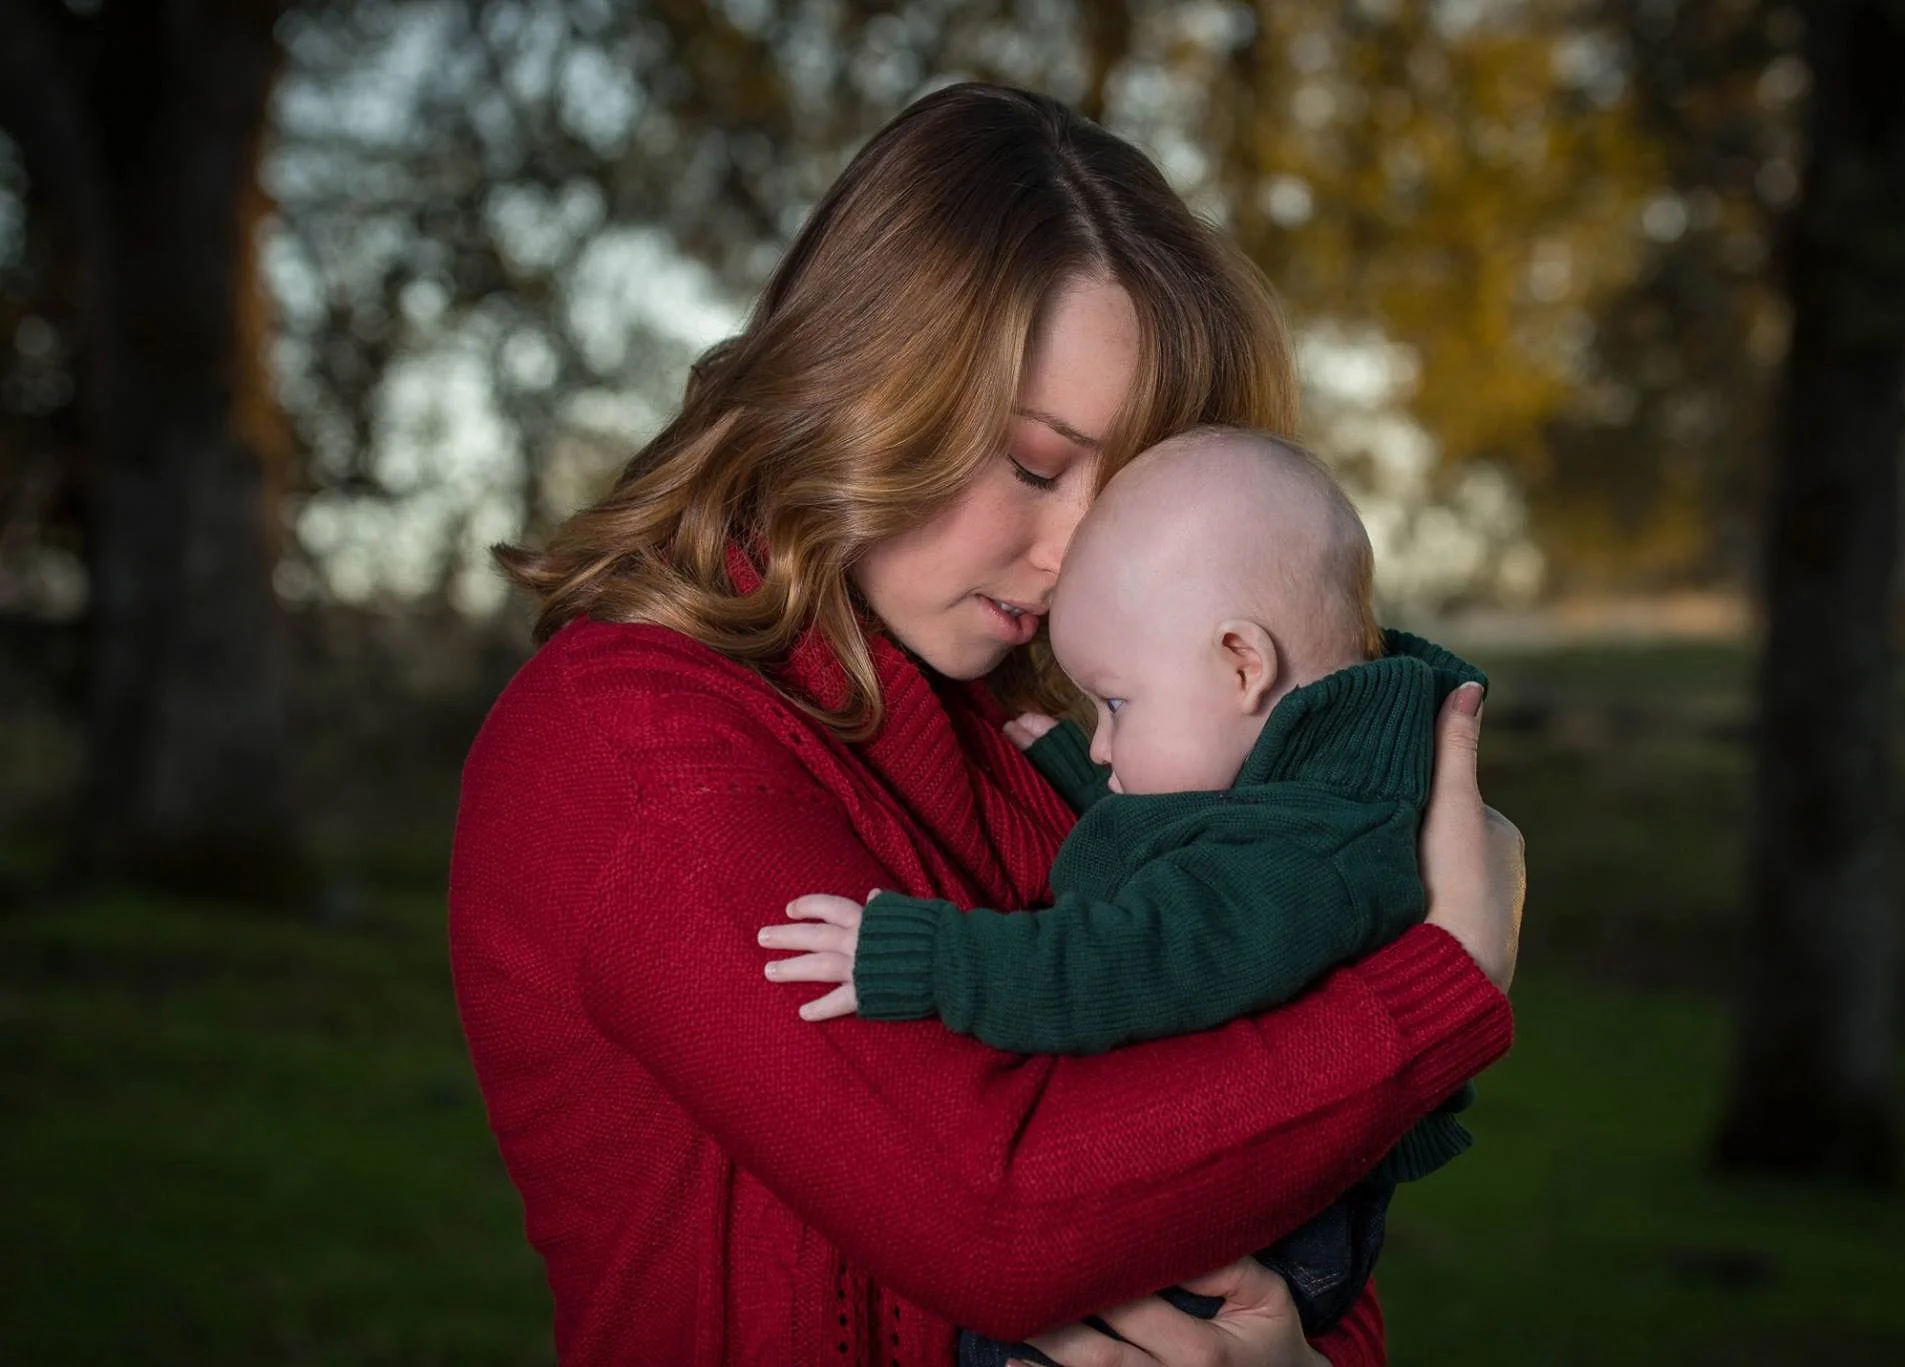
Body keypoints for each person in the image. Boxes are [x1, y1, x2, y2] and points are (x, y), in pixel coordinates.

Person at [450, 82, 1524, 1367]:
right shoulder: (629, 745)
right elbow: (995, 1211)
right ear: (860, 384)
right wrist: (1439, 983)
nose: (1072, 551)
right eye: (1028, 462)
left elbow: (1276, 1214)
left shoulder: (1071, 749)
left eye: (1122, 497)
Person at [761, 427, 1487, 1367]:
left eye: (1116, 705)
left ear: (1241, 663)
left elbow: (1136, 955)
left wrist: (928, 957)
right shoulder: (1313, 790)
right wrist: (1076, 778)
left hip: (1245, 1250)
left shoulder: (1313, 852)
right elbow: (1194, 852)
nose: (1102, 744)